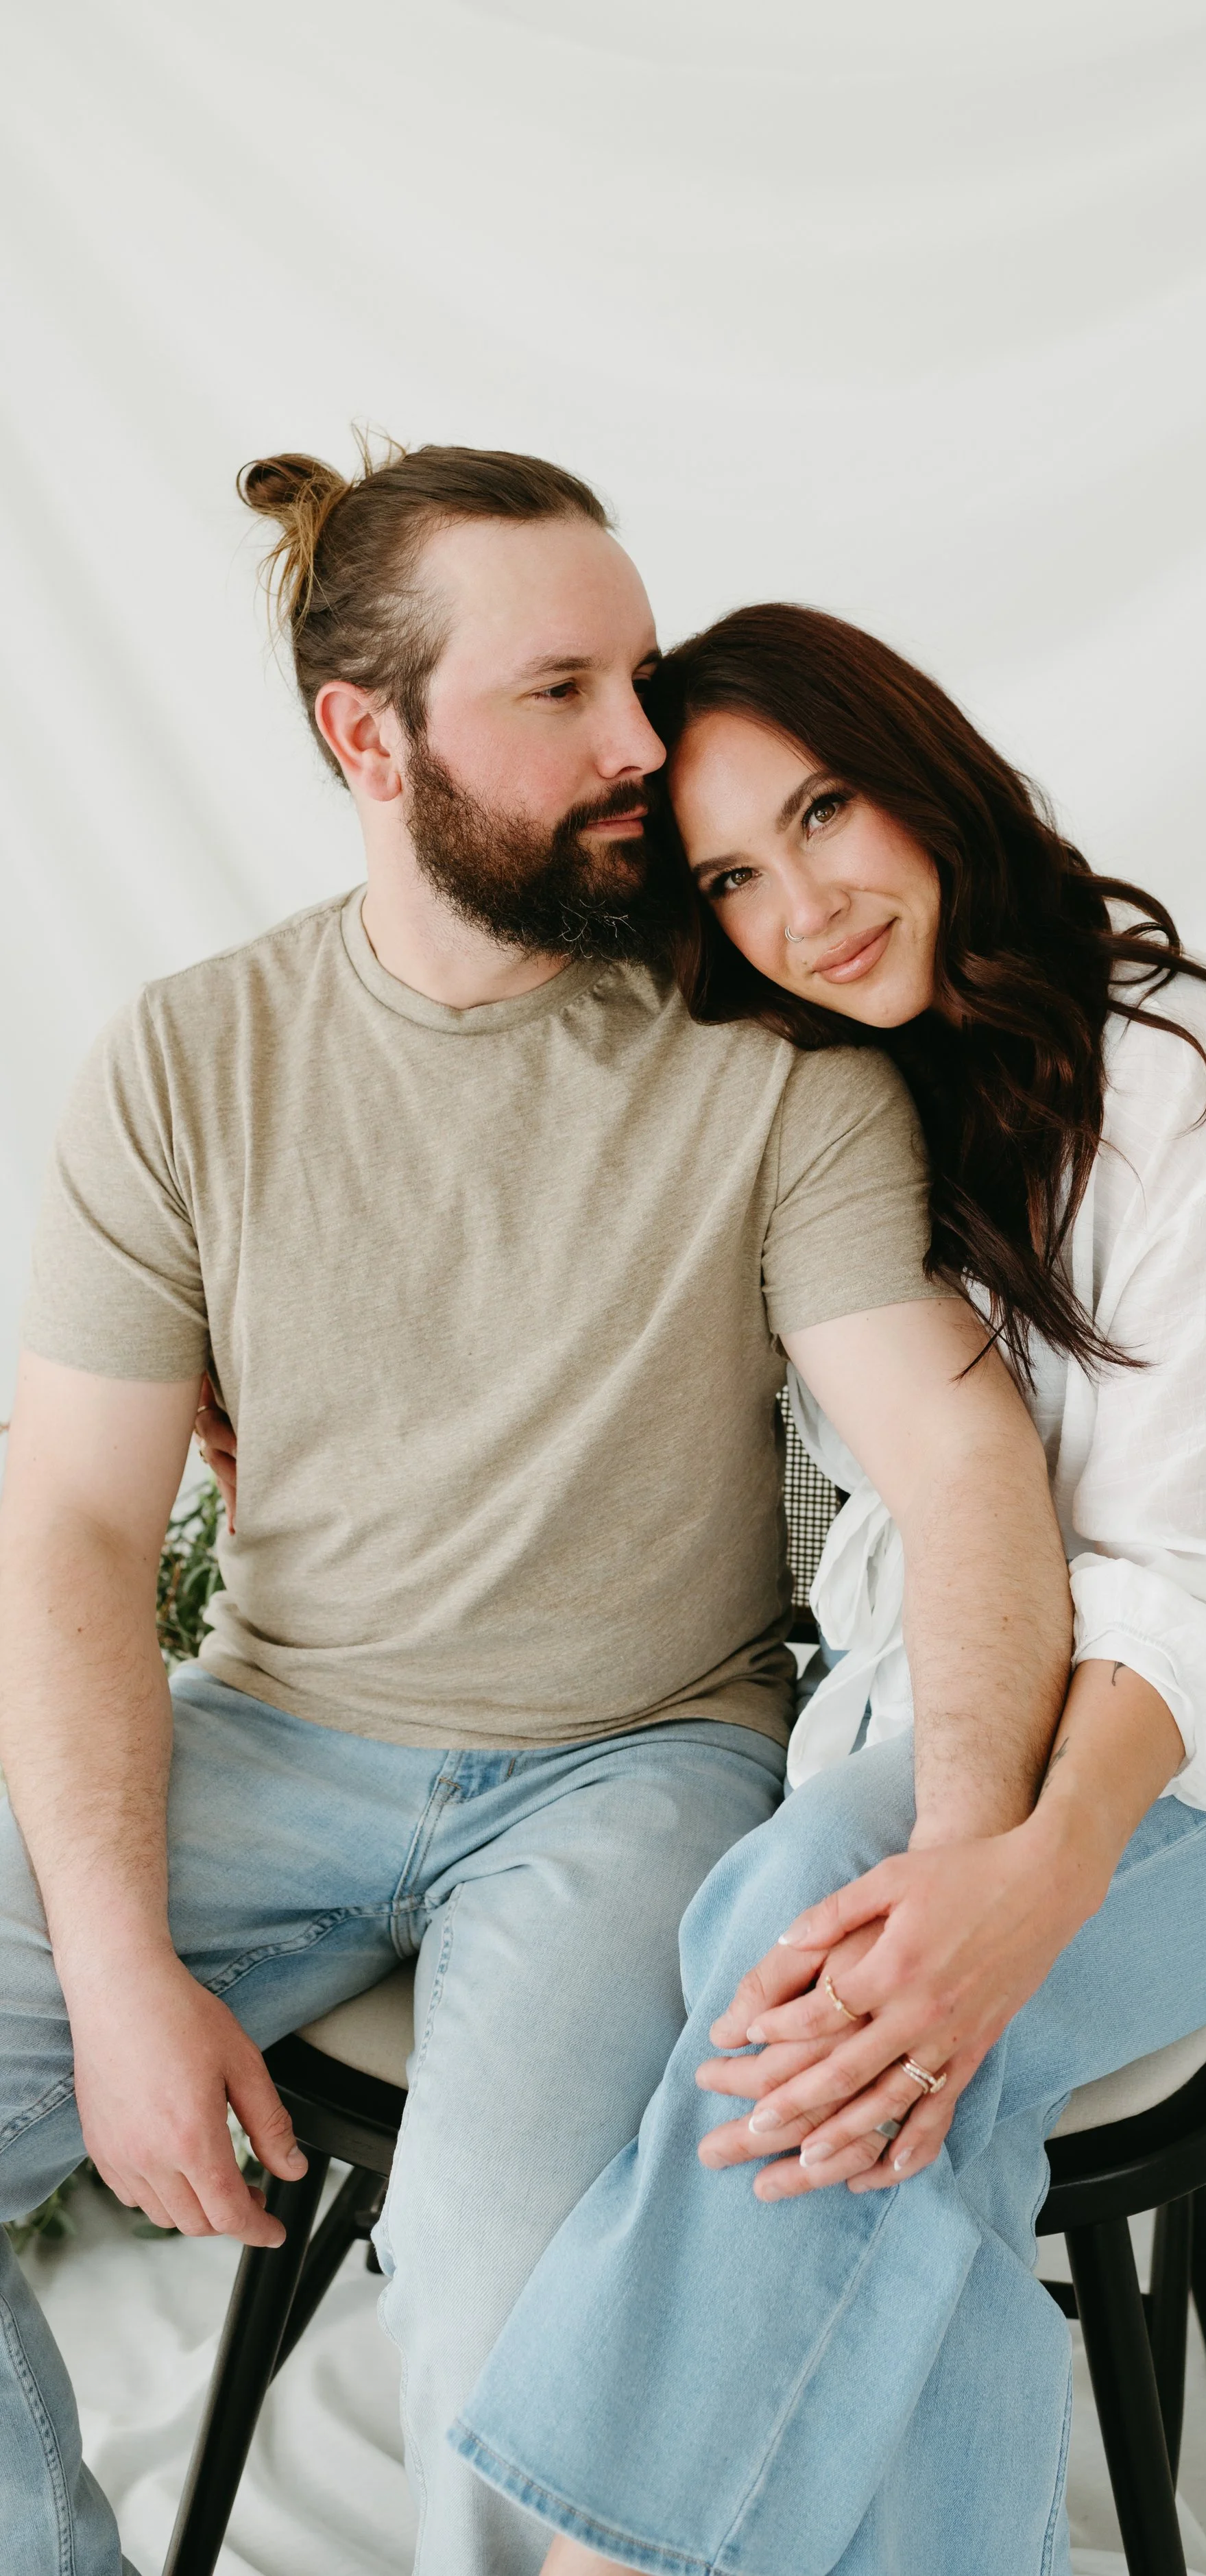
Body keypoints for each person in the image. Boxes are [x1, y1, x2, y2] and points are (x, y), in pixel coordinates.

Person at [0, 457, 1076, 2576]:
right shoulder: (184, 1059)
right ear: (366, 739)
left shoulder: (768, 1053)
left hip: (636, 1768)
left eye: (638, 677)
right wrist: (117, 1968)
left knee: (527, 2377)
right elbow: (71, 1533)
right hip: (274, 1736)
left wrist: (968, 1862)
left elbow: (956, 1457)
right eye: (561, 690)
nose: (639, 749)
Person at [443, 607, 1206, 2576]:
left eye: (823, 809)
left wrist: (1027, 1872)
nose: (803, 900)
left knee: (831, 1937)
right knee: (906, 2067)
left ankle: (602, 2559)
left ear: (922, 767)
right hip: (931, 1725)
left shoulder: (1188, 1085)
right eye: (731, 874)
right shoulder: (837, 1102)